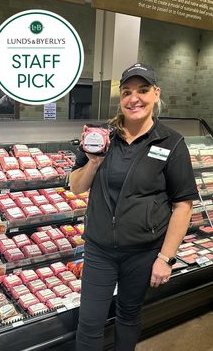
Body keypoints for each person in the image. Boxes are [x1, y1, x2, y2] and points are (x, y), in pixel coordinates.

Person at [69, 62, 199, 351]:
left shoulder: (171, 142)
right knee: (89, 323)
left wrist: (165, 258)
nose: (134, 98)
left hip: (143, 252)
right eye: (127, 92)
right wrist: (93, 163)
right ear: (120, 97)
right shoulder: (102, 136)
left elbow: (183, 206)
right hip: (100, 250)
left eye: (142, 90)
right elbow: (76, 186)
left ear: (156, 94)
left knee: (128, 316)